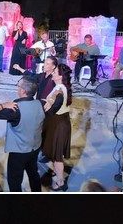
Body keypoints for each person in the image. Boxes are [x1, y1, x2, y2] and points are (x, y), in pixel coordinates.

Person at [0, 76, 45, 191]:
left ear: (23, 91)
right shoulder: (41, 103)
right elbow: (56, 104)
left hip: (19, 152)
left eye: (18, 86)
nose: (17, 88)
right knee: (33, 173)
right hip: (35, 148)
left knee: (14, 181)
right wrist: (58, 93)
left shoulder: (16, 109)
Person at [42, 63, 73, 191]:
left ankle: (61, 182)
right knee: (55, 153)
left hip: (58, 125)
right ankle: (58, 174)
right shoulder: (61, 87)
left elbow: (53, 110)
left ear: (60, 76)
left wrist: (44, 108)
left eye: (55, 72)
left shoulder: (60, 90)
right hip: (60, 122)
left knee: (57, 155)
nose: (52, 73)